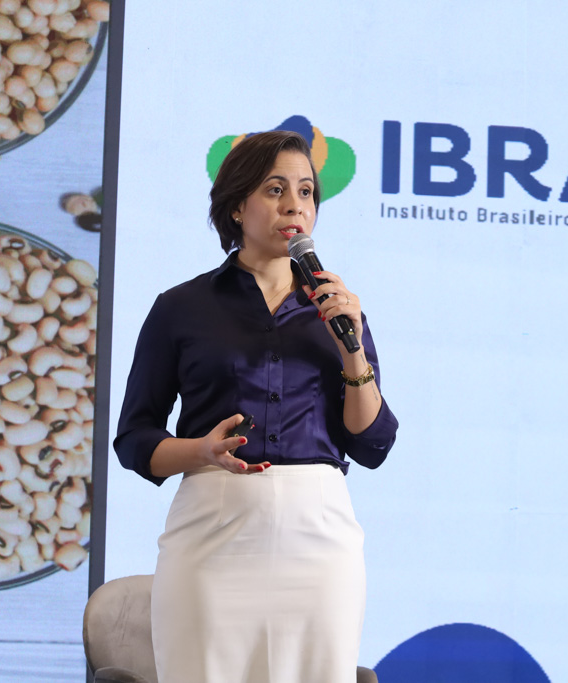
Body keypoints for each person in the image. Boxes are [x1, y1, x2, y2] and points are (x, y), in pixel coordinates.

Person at [113, 130, 398, 683]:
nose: (295, 205)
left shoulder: (340, 310)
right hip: (213, 533)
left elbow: (371, 444)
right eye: (275, 189)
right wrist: (200, 451)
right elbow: (134, 438)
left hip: (320, 541)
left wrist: (352, 350)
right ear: (237, 207)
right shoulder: (180, 307)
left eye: (306, 191)